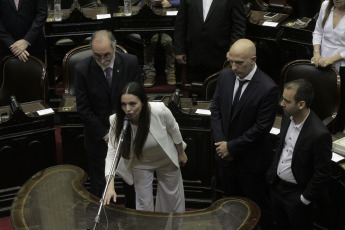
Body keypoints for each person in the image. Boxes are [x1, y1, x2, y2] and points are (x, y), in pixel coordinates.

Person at [210, 39, 278, 229]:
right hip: (226, 159)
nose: (233, 67)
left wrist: (231, 147)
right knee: (231, 207)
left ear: (253, 60)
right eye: (231, 61)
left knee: (257, 210)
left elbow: (261, 128)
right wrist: (222, 143)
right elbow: (215, 110)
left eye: (239, 62)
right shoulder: (225, 77)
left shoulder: (268, 88)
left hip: (251, 163)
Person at [75, 30, 142, 204]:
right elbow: (83, 108)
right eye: (98, 56)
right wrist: (106, 134)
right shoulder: (82, 69)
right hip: (98, 137)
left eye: (107, 55)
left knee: (131, 182)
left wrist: (124, 128)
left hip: (127, 132)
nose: (103, 60)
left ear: (114, 47)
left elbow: (138, 98)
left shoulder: (130, 62)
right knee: (99, 185)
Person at [104, 82, 188, 212]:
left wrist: (181, 152)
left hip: (165, 159)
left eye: (133, 104)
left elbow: (174, 130)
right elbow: (111, 154)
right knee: (143, 204)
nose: (127, 109)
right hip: (140, 163)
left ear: (143, 102)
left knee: (171, 200)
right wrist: (110, 187)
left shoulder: (159, 110)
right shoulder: (116, 120)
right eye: (123, 104)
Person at [266, 79, 332, 230]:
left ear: (301, 104)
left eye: (287, 101)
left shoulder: (319, 134)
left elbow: (322, 172)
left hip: (297, 195)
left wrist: (304, 198)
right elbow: (281, 148)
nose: (281, 103)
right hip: (277, 187)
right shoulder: (286, 118)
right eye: (282, 98)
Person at [173, 0, 246, 82]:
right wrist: (179, 49)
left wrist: (233, 51)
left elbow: (238, 27)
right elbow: (180, 23)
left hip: (221, 57)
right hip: (193, 56)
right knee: (194, 90)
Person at [311, 0, 345, 132]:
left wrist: (333, 58)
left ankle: (334, 132)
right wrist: (316, 53)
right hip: (321, 61)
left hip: (341, 64)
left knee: (338, 104)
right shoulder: (326, 5)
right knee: (321, 98)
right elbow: (318, 32)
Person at [138, 0, 179, 87]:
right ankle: (150, 74)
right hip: (152, 26)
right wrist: (153, 3)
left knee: (168, 41)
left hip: (168, 25)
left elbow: (183, 2)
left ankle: (171, 72)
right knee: (149, 41)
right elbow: (139, 5)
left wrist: (170, 3)